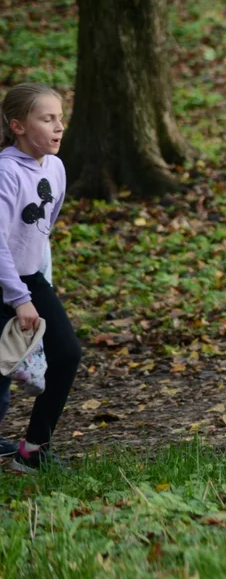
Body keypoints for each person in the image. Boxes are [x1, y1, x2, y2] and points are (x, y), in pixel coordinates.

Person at [0, 82, 81, 472]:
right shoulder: (5, 173)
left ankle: (33, 451)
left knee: (67, 353)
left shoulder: (56, 167)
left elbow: (42, 229)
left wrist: (36, 285)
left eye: (60, 118)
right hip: (6, 283)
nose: (58, 126)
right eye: (46, 119)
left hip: (30, 279)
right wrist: (18, 298)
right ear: (17, 126)